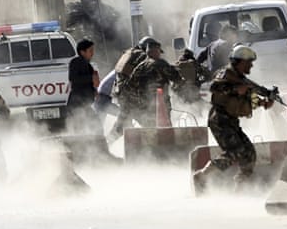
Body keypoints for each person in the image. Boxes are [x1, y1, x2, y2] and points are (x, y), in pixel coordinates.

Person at [192, 45, 275, 194]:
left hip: (231, 122)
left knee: (249, 154)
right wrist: (234, 89)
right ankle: (202, 176)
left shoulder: (241, 79)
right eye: (248, 62)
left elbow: (247, 98)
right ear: (240, 62)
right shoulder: (226, 74)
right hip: (219, 121)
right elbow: (213, 88)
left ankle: (240, 188)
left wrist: (264, 102)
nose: (251, 65)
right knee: (235, 151)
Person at [113, 40, 184, 132]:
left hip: (143, 104)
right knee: (164, 128)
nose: (160, 54)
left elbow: (130, 85)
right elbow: (177, 78)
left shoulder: (140, 66)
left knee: (149, 129)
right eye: (159, 51)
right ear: (156, 51)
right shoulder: (160, 63)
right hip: (160, 103)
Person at [111, 36, 158, 132]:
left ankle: (110, 140)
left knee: (124, 121)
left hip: (122, 93)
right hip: (131, 96)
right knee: (149, 123)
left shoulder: (130, 54)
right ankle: (152, 141)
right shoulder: (142, 56)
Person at [65, 39, 101, 134]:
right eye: (90, 51)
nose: (92, 53)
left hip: (84, 105)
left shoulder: (88, 65)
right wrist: (91, 78)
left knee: (94, 127)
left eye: (93, 50)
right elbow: (73, 78)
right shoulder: (76, 62)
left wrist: (94, 90)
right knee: (81, 130)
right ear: (82, 52)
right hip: (77, 105)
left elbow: (89, 83)